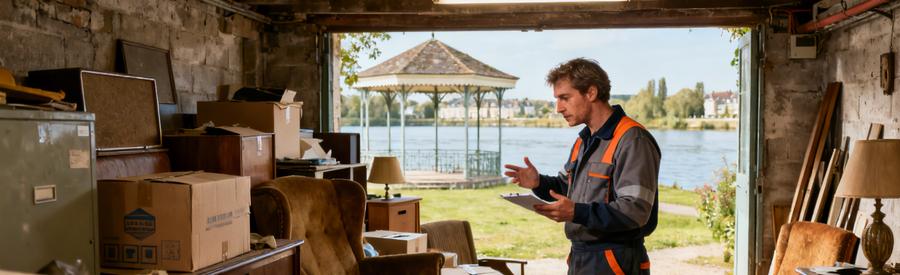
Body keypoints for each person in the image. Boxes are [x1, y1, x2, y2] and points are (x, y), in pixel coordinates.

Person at [504, 58, 661, 275]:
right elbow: (566, 187)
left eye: (564, 98)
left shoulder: (632, 139)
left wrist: (577, 212)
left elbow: (636, 210)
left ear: (591, 93)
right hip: (581, 259)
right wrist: (539, 183)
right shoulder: (583, 140)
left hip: (616, 262)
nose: (558, 108)